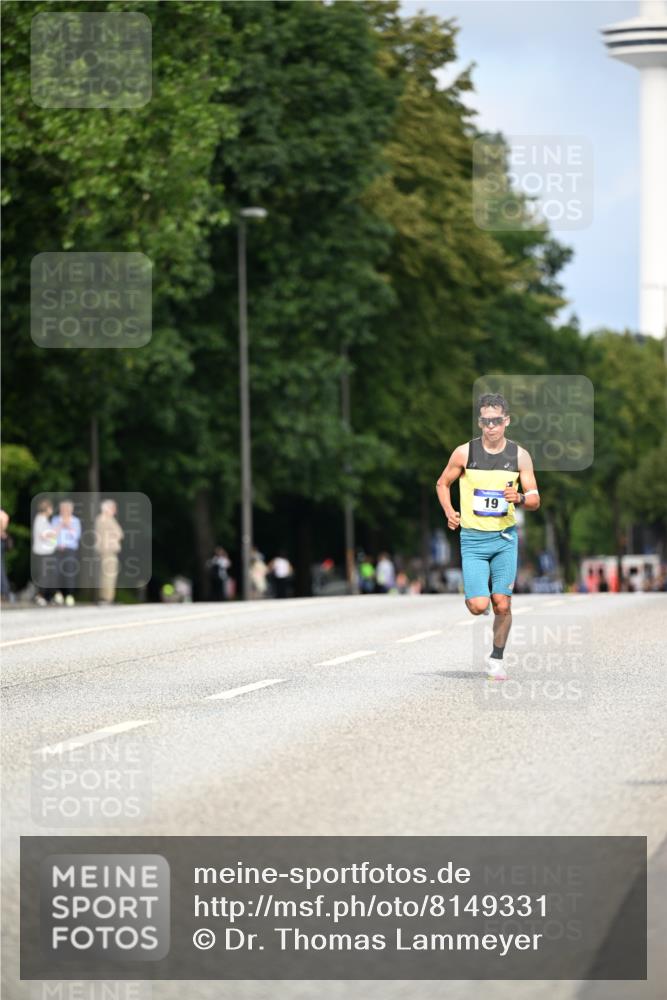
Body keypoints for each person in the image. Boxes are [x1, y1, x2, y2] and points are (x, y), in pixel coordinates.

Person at [436, 393, 541, 681]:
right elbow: (442, 483)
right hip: (473, 540)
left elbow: (535, 499)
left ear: (506, 421)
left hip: (505, 539)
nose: (490, 426)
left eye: (496, 421)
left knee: (502, 604)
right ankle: (475, 596)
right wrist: (449, 510)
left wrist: (518, 497)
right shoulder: (463, 454)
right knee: (478, 606)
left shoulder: (519, 456)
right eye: (485, 421)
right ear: (480, 422)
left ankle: (496, 659)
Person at [94, 499, 124, 605]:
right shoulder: (107, 519)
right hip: (109, 551)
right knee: (109, 575)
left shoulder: (100, 519)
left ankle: (105, 598)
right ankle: (107, 598)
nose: (115, 510)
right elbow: (120, 533)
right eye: (113, 508)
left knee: (105, 574)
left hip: (104, 550)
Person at [52, 499, 81, 606]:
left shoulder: (75, 521)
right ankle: (58, 593)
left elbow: (76, 536)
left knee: (69, 573)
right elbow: (52, 534)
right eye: (62, 509)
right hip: (58, 549)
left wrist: (68, 525)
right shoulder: (56, 520)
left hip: (70, 550)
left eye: (66, 509)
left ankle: (69, 595)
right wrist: (60, 525)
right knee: (56, 572)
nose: (64, 511)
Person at [32, 499, 57, 605]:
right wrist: (54, 533)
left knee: (49, 575)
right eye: (50, 508)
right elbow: (44, 535)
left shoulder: (45, 520)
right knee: (44, 576)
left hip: (48, 552)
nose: (52, 510)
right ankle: (39, 596)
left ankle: (48, 596)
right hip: (42, 552)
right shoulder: (40, 519)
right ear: (45, 509)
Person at [0, 509, 11, 601]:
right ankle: (4, 591)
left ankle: (4, 591)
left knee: (0, 567)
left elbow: (4, 522)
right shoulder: (3, 513)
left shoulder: (2, 514)